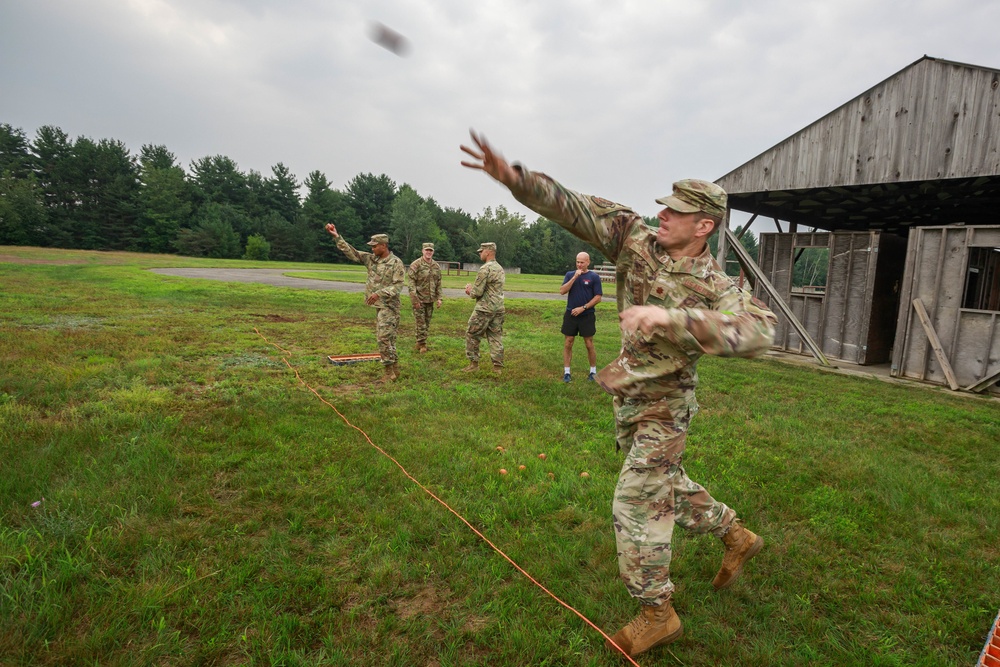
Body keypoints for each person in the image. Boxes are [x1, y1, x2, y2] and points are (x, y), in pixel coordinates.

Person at [460, 131, 777, 659]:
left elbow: (760, 332)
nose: (664, 218)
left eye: (677, 213)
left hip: (666, 407)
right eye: (665, 209)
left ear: (705, 226)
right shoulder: (635, 239)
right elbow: (576, 209)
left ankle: (657, 611)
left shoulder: (716, 284)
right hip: (629, 395)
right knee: (664, 487)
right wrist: (515, 178)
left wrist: (675, 318)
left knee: (634, 499)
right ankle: (735, 534)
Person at [325, 224, 405, 382]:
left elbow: (398, 286)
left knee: (383, 338)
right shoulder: (371, 259)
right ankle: (395, 370)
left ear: (383, 246)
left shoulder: (396, 263)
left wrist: (378, 293)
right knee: (388, 338)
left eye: (375, 246)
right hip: (379, 306)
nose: (372, 249)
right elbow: (352, 252)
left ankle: (389, 373)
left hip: (389, 306)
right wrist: (336, 236)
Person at [462, 242, 505, 375]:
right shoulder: (500, 268)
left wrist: (469, 290)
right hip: (498, 308)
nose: (480, 254)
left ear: (487, 252)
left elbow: (477, 292)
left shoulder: (485, 269)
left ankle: (473, 364)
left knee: (472, 334)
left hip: (484, 309)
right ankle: (497, 367)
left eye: (481, 251)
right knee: (495, 336)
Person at [560, 251, 603, 382]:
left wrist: (583, 308)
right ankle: (567, 373)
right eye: (577, 262)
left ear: (588, 262)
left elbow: (598, 297)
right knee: (568, 342)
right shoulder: (569, 275)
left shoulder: (594, 277)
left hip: (587, 315)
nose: (579, 264)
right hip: (570, 314)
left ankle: (593, 372)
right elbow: (562, 291)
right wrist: (574, 278)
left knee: (589, 344)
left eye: (582, 262)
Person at [406, 242, 443, 353]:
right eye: (426, 250)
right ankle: (423, 344)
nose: (428, 252)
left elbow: (439, 283)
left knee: (426, 322)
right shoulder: (416, 264)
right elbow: (411, 283)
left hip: (430, 300)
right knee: (420, 322)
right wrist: (414, 299)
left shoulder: (436, 266)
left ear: (433, 252)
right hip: (419, 299)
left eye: (430, 250)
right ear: (422, 251)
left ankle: (419, 341)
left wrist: (439, 298)